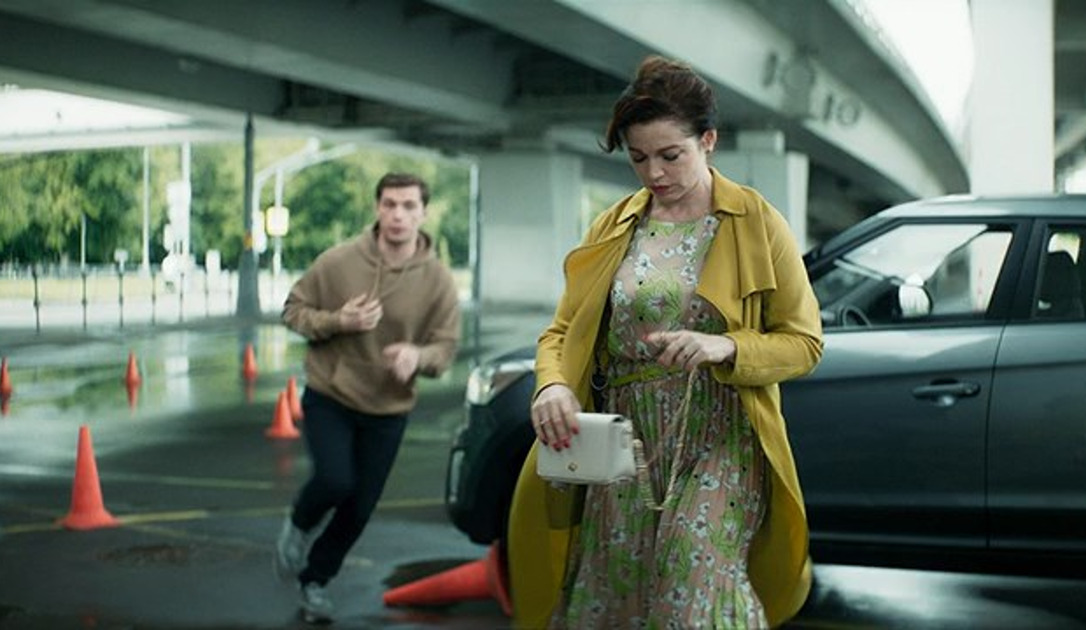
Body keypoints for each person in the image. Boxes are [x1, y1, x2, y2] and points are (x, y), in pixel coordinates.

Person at [506, 55, 825, 629]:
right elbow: (562, 330)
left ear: (708, 141)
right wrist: (551, 386)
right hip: (622, 437)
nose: (654, 172)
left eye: (670, 155)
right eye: (638, 157)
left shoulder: (756, 222)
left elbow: (804, 343)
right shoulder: (614, 225)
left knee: (691, 588)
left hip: (721, 434)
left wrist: (727, 347)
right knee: (616, 594)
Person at [275, 172, 461, 623]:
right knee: (335, 481)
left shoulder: (438, 280)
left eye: (409, 206)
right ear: (378, 208)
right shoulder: (339, 261)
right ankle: (299, 523)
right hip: (331, 394)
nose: (398, 215)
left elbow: (445, 348)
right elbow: (293, 311)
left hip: (388, 409)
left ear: (423, 213)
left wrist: (417, 356)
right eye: (390, 204)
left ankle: (315, 582)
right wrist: (337, 321)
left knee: (359, 509)